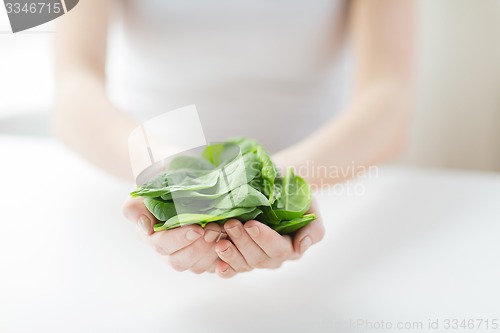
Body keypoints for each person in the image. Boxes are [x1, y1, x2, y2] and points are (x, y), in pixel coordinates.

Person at [53, 0, 415, 278]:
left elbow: (390, 97)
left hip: (324, 189)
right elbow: (73, 83)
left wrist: (276, 184)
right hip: (132, 192)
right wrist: (164, 172)